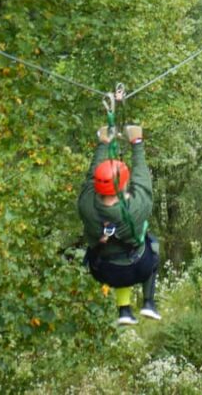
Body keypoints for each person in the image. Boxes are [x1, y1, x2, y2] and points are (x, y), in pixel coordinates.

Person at [78, 123, 162, 325]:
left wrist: (104, 144)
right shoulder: (135, 208)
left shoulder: (86, 204)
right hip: (138, 267)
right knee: (153, 246)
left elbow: (91, 176)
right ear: (124, 184)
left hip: (103, 271)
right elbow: (142, 179)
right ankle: (148, 303)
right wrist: (137, 142)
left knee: (117, 257)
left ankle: (124, 310)